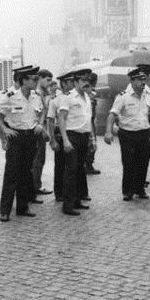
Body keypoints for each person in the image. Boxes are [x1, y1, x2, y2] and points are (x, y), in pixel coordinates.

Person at [0, 65, 46, 222]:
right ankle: (5, 210)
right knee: (11, 174)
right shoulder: (11, 96)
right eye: (34, 79)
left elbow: (42, 111)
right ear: (24, 80)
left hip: (30, 137)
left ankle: (22, 207)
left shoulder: (36, 96)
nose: (36, 81)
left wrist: (40, 123)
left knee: (26, 173)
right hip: (16, 137)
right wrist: (4, 129)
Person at [104, 67, 150, 201]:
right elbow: (112, 114)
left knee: (143, 161)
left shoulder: (147, 93)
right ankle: (128, 191)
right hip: (127, 134)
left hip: (143, 133)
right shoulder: (123, 96)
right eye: (139, 80)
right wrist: (108, 132)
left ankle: (140, 189)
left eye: (144, 79)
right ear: (132, 81)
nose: (143, 82)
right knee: (128, 162)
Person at [56, 69, 93, 216]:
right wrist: (65, 140)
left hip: (83, 137)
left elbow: (87, 119)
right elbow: (62, 118)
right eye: (83, 81)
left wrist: (90, 138)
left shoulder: (87, 98)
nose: (86, 83)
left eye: (88, 81)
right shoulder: (68, 97)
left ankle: (77, 200)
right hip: (72, 136)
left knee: (79, 170)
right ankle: (68, 205)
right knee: (70, 171)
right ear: (76, 82)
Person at [47, 71, 76, 202]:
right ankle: (59, 193)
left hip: (73, 133)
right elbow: (50, 121)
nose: (73, 84)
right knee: (60, 165)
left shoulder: (76, 98)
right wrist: (52, 140)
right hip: (60, 133)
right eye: (70, 82)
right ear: (63, 84)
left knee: (73, 166)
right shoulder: (55, 101)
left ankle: (72, 193)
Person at [32, 69, 54, 195]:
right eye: (47, 80)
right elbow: (40, 113)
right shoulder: (37, 93)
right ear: (40, 78)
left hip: (42, 127)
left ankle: (36, 185)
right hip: (39, 128)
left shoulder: (45, 93)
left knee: (40, 158)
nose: (49, 83)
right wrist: (44, 130)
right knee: (38, 159)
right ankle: (36, 186)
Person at [84, 72, 101, 176]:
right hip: (88, 120)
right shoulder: (89, 92)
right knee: (91, 143)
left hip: (90, 119)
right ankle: (88, 165)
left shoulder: (91, 91)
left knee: (91, 143)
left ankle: (88, 164)